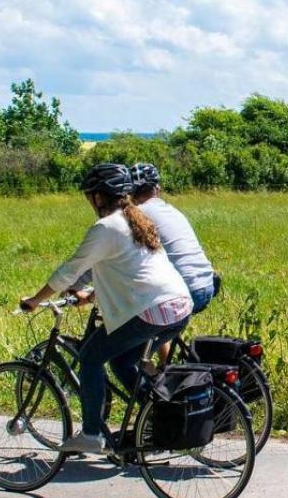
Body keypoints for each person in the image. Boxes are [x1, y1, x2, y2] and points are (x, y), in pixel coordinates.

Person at [20, 163, 192, 454]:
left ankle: (90, 435)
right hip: (178, 307)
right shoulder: (134, 219)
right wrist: (91, 294)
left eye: (89, 195)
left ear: (99, 197)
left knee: (90, 357)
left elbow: (70, 271)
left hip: (153, 310)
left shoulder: (106, 227)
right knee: (123, 362)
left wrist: (36, 299)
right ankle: (158, 415)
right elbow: (132, 273)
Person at [130, 163, 216, 315]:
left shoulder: (137, 215)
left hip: (183, 289)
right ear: (157, 188)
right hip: (206, 282)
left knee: (130, 326)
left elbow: (114, 254)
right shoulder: (171, 210)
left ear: (130, 192)